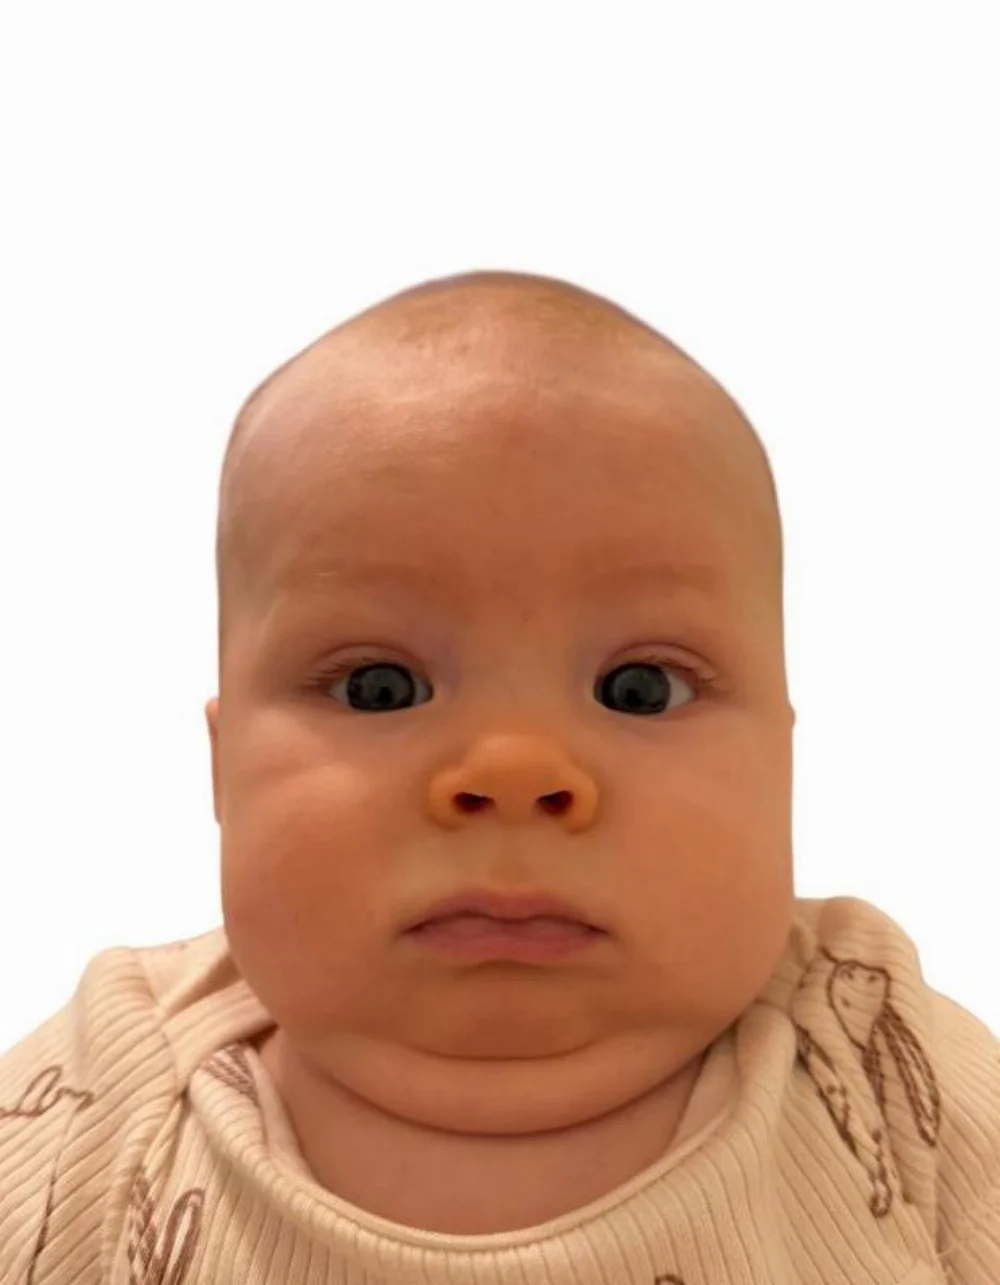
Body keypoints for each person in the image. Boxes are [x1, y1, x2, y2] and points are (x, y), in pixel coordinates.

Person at [1, 271, 996, 1284]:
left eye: (640, 689)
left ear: (781, 766)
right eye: (380, 688)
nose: (514, 773)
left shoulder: (872, 1041)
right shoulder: (106, 1088)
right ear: (223, 772)